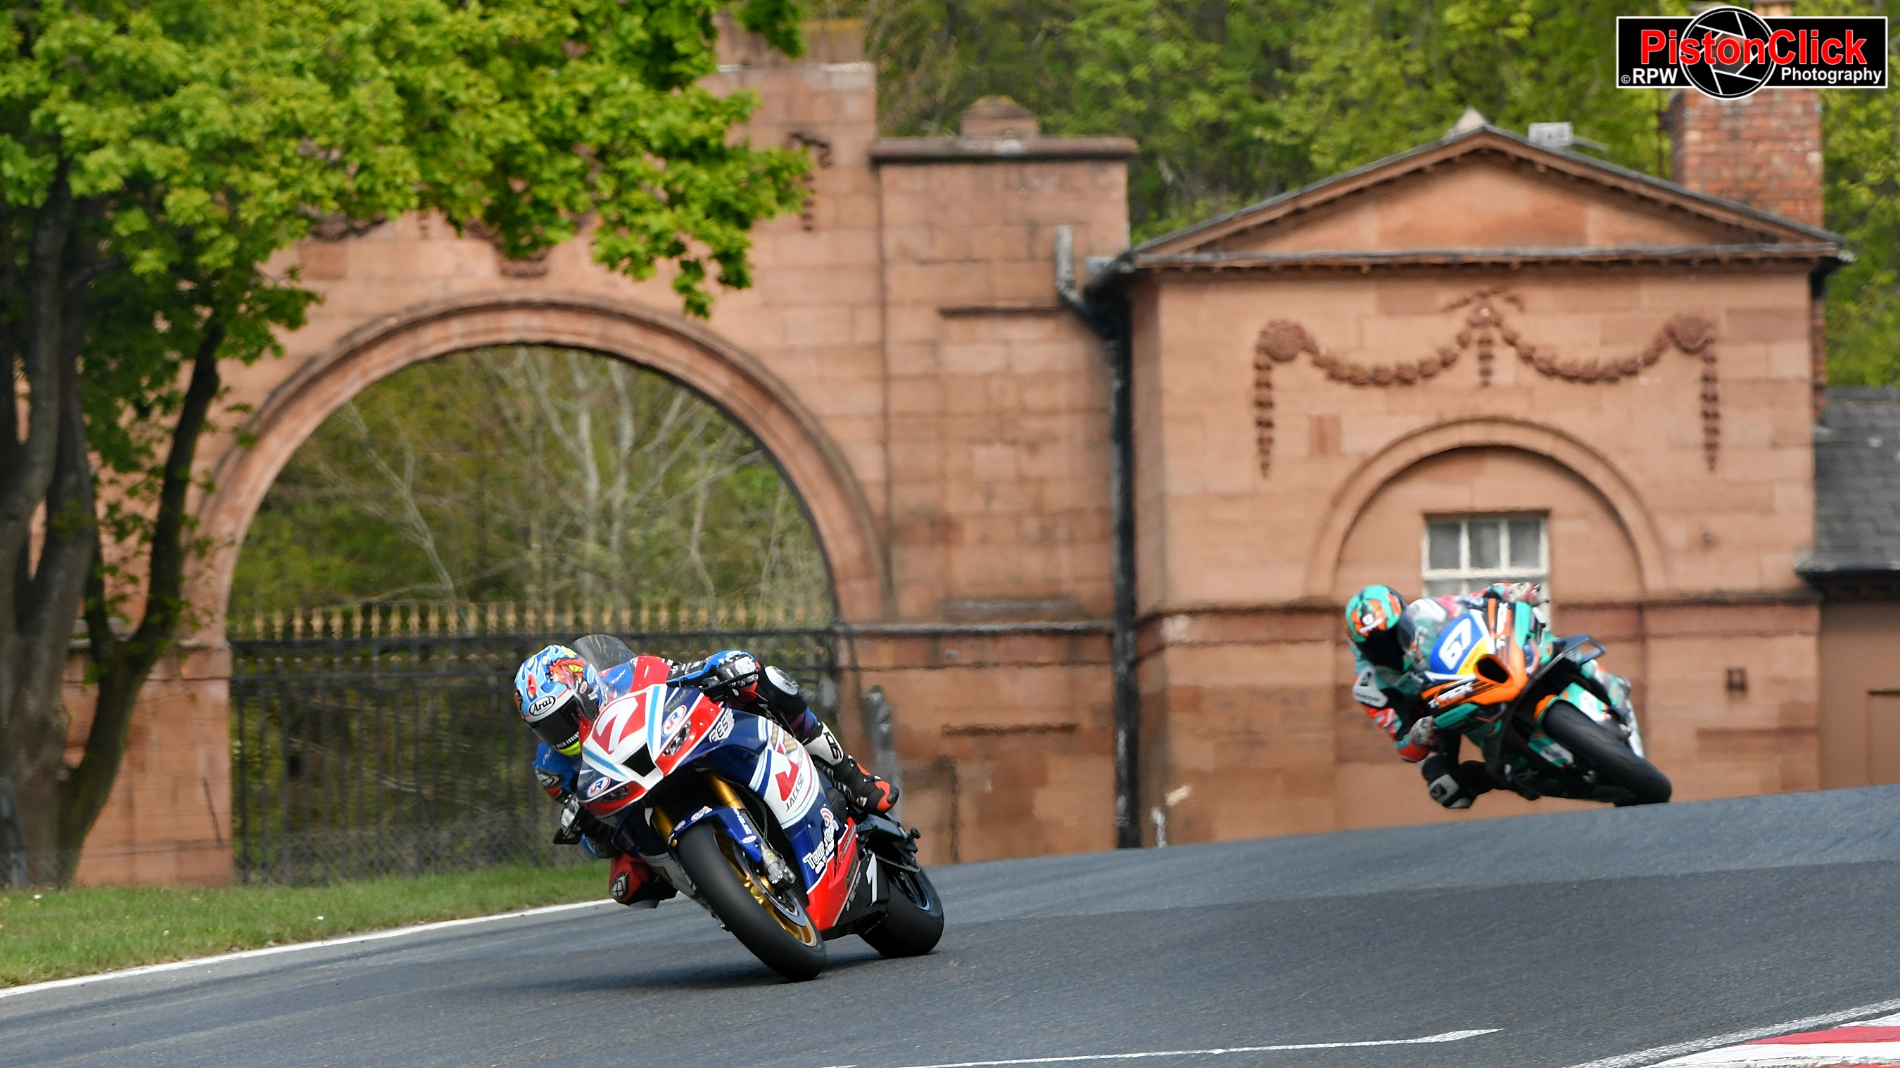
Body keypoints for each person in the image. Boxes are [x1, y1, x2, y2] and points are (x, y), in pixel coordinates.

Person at [512, 643, 898, 906]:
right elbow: (599, 842)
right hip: (641, 811)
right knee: (627, 886)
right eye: (547, 727)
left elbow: (686, 673)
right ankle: (718, 887)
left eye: (564, 716)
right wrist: (590, 830)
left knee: (757, 676)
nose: (560, 733)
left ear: (584, 689)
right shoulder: (552, 769)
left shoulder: (631, 673)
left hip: (687, 747)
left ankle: (847, 771)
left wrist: (720, 667)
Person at [1344, 581, 1637, 810]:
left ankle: (1609, 685)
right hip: (1444, 714)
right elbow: (1399, 736)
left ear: (1405, 619)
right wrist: (1418, 736)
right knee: (1446, 788)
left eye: (1394, 635)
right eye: (1376, 647)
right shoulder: (1369, 684)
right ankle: (1511, 776)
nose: (1389, 650)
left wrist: (1509, 592)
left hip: (1478, 671)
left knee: (1548, 645)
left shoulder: (1428, 613)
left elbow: (1476, 602)